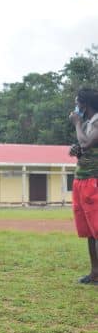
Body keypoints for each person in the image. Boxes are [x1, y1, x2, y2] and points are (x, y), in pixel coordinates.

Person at [69, 88, 98, 285]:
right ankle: (95, 273)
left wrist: (77, 124)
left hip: (93, 181)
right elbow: (84, 149)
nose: (75, 107)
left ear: (84, 104)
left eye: (77, 103)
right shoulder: (88, 123)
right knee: (88, 230)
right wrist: (75, 151)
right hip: (81, 179)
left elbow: (87, 143)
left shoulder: (96, 121)